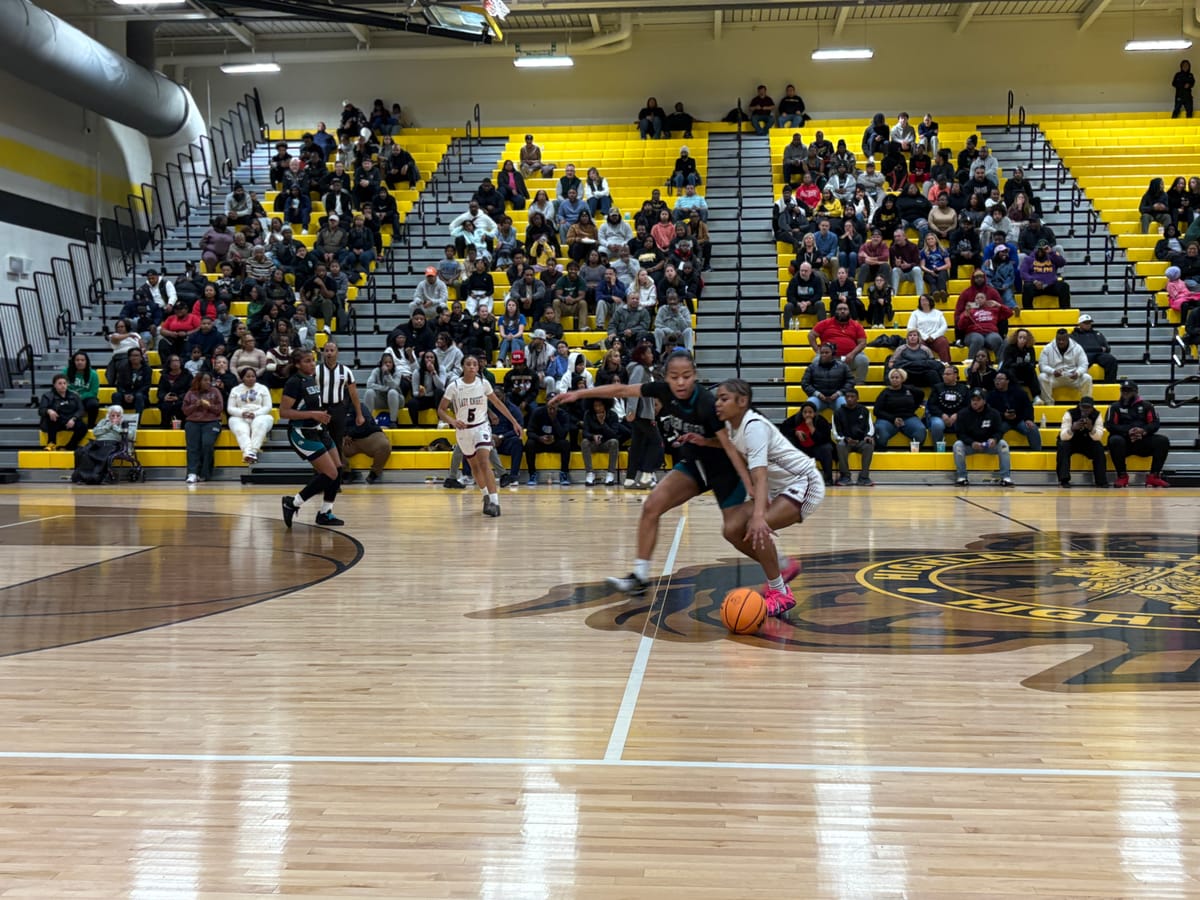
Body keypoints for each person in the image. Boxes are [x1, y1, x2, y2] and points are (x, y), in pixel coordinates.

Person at [552, 351, 784, 601]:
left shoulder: (706, 402)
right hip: (696, 464)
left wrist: (749, 484)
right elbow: (621, 391)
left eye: (686, 376)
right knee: (652, 505)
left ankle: (779, 571)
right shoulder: (661, 390)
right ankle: (639, 577)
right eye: (675, 377)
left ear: (695, 376)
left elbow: (728, 445)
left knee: (734, 532)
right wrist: (578, 394)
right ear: (666, 378)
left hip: (725, 468)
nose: (681, 382)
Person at [438, 355, 524, 516]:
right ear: (463, 366)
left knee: (484, 462)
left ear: (478, 368)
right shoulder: (454, 386)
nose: (471, 367)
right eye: (468, 364)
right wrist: (453, 421)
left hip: (481, 427)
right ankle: (485, 496)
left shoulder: (483, 383)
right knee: (474, 466)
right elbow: (441, 410)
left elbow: (498, 403)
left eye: (474, 364)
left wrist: (514, 422)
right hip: (464, 431)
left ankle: (495, 502)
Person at [279, 349, 345, 527]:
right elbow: (284, 412)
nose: (312, 364)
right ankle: (292, 503)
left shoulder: (310, 378)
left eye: (313, 360)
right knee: (329, 473)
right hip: (301, 432)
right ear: (298, 364)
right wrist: (314, 414)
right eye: (307, 361)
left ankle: (325, 512)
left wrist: (321, 415)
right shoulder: (293, 382)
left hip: (318, 429)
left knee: (338, 470)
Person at [1105, 381, 1171, 488]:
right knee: (1114, 440)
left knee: (1162, 441)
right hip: (1124, 442)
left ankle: (1154, 476)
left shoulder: (1147, 406)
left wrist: (1143, 431)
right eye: (1123, 390)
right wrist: (1128, 431)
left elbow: (1155, 423)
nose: (1125, 393)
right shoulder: (1114, 407)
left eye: (1128, 390)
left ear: (1136, 392)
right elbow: (1109, 425)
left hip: (1142, 440)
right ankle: (1122, 476)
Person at [952, 388, 1013, 487]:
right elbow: (960, 434)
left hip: (989, 445)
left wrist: (994, 439)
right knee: (957, 445)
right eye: (973, 400)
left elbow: (999, 431)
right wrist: (972, 443)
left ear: (984, 401)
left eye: (978, 400)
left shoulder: (994, 413)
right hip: (971, 446)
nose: (975, 402)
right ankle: (962, 477)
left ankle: (1006, 478)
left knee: (1003, 445)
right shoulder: (963, 414)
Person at [1056, 396, 1109, 488]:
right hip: (1071, 441)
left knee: (1099, 447)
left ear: (1092, 408)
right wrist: (1072, 429)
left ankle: (1101, 481)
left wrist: (1091, 428)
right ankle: (1064, 480)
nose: (1085, 410)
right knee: (1063, 446)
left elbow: (1098, 437)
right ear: (1079, 406)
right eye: (1083, 407)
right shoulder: (1070, 413)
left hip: (1087, 441)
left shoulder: (1097, 415)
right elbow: (1063, 436)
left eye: (1088, 408)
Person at [182, 372, 224, 484]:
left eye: (209, 380)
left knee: (207, 444)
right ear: (199, 381)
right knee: (192, 447)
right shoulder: (190, 393)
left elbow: (219, 409)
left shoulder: (215, 392)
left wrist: (209, 406)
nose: (208, 382)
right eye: (205, 380)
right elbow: (185, 411)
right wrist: (195, 405)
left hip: (211, 422)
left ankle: (205, 473)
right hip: (193, 422)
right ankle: (192, 473)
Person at [227, 366, 275, 464]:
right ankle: (249, 452)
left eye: (253, 376)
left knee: (259, 423)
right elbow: (230, 408)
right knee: (241, 429)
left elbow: (268, 406)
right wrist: (242, 413)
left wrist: (255, 413)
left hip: (260, 415)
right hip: (240, 416)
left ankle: (252, 451)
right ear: (242, 378)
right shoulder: (235, 389)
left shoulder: (262, 388)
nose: (251, 378)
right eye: (248, 376)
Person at [780, 402, 835, 485]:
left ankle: (828, 479)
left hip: (817, 447)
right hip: (801, 449)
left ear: (815, 413)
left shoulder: (821, 421)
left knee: (827, 448)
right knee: (788, 444)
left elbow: (825, 439)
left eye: (810, 412)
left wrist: (811, 427)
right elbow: (783, 428)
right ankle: (791, 478)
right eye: (805, 412)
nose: (807, 415)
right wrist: (795, 432)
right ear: (801, 413)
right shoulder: (795, 419)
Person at [987, 370, 1042, 451]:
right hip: (1002, 421)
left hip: (1019, 420)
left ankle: (1037, 452)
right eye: (996, 379)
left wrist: (1028, 419)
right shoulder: (991, 395)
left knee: (1032, 428)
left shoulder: (1019, 392)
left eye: (1000, 379)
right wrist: (1003, 415)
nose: (997, 381)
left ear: (1007, 381)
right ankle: (992, 452)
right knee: (994, 430)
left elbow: (1028, 407)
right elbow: (989, 411)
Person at [1037, 329, 1093, 405]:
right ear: (1055, 338)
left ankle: (1086, 404)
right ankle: (1048, 403)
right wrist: (1053, 371)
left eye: (1063, 340)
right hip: (1055, 377)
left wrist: (1078, 373)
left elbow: (1084, 364)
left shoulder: (1077, 347)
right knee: (1042, 377)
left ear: (1068, 339)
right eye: (1059, 339)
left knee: (1087, 378)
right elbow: (1042, 365)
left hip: (1072, 377)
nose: (1061, 342)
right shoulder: (1048, 348)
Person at [832, 387, 875, 485]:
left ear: (858, 398)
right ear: (845, 398)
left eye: (852, 396)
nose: (850, 399)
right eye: (847, 397)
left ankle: (864, 477)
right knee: (840, 445)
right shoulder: (838, 412)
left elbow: (871, 427)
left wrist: (868, 436)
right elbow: (835, 432)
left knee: (869, 445)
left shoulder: (864, 410)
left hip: (860, 441)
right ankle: (845, 477)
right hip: (846, 441)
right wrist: (845, 438)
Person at [342, 400, 392, 484]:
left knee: (384, 445)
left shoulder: (360, 406)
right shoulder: (332, 408)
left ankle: (375, 473)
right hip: (347, 441)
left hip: (368, 436)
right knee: (331, 444)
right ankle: (345, 472)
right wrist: (344, 434)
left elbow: (366, 422)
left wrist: (350, 433)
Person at [581, 398, 626, 486]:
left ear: (605, 405)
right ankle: (590, 473)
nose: (597, 408)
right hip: (593, 444)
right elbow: (585, 432)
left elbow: (614, 434)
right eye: (595, 406)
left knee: (614, 442)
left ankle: (610, 474)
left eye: (600, 405)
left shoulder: (613, 415)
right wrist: (593, 437)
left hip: (606, 443)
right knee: (584, 442)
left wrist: (603, 423)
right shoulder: (588, 414)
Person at [39, 375, 87, 451]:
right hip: (57, 421)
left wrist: (74, 419)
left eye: (64, 383)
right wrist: (49, 411)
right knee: (51, 417)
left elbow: (81, 410)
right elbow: (41, 410)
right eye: (60, 383)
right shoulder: (47, 396)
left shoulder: (74, 395)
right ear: (54, 385)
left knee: (83, 427)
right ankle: (51, 443)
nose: (63, 386)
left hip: (70, 420)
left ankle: (70, 446)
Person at [1020, 241, 1070, 310]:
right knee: (1027, 288)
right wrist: (1034, 281)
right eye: (1039, 249)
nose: (1040, 251)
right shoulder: (1028, 259)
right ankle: (1028, 311)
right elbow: (1023, 273)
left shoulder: (1052, 257)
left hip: (1050, 285)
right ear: (1035, 249)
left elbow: (1062, 263)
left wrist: (1051, 252)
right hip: (1036, 285)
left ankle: (1065, 311)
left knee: (1064, 286)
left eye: (1043, 249)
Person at [1071, 314, 1119, 383]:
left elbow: (1107, 348)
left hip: (1099, 355)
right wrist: (1099, 349)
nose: (1088, 324)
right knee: (1079, 362)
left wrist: (1096, 349)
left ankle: (1109, 384)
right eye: (1085, 323)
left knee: (1111, 360)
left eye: (1089, 323)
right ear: (1080, 324)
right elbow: (1079, 349)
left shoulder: (1097, 334)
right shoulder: (1074, 335)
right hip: (1084, 355)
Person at [62, 351, 101, 427]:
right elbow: (61, 387)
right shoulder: (66, 371)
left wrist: (80, 396)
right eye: (77, 360)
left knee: (93, 404)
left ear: (87, 362)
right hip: (70, 397)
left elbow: (93, 392)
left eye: (82, 360)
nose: (80, 362)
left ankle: (91, 425)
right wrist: (72, 394)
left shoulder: (93, 374)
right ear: (73, 361)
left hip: (86, 399)